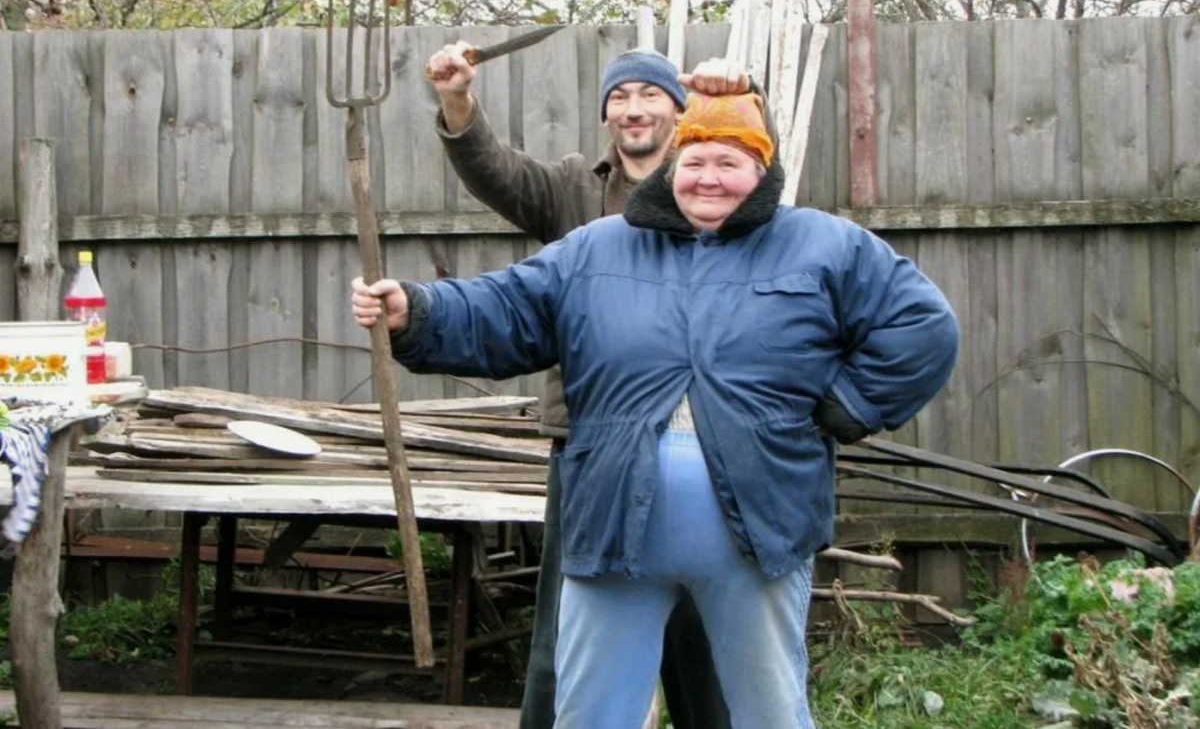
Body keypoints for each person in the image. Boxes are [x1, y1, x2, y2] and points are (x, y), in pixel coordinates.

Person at [352, 89, 960, 728]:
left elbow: (922, 325)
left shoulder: (823, 245)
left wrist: (847, 407)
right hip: (615, 526)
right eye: (695, 161)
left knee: (768, 710)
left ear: (762, 171)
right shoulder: (597, 249)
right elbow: (504, 308)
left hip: (760, 530)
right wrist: (416, 312)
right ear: (673, 166)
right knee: (591, 713)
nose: (709, 178)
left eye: (730, 162)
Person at [425, 42, 748, 729]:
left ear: (677, 106)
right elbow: (499, 173)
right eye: (620, 97)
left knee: (699, 637)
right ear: (607, 113)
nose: (633, 109)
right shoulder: (575, 186)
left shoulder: (712, 182)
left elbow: (763, 173)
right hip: (591, 444)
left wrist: (741, 93)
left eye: (649, 94)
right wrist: (458, 102)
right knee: (567, 629)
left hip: (698, 442)